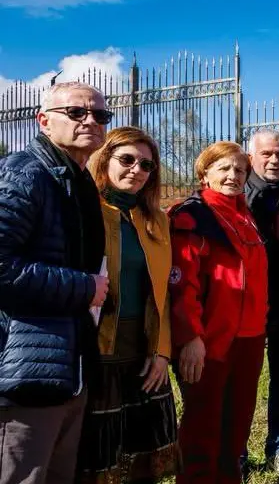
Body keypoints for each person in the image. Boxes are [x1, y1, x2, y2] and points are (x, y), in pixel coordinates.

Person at [0, 82, 108, 484]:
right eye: (77, 113)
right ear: (43, 120)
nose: (91, 121)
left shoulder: (75, 181)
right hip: (25, 372)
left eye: (100, 115)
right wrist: (84, 287)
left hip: (67, 364)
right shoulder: (23, 175)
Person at [74, 127, 179, 483]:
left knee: (143, 461)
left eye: (146, 165)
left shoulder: (157, 219)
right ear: (104, 160)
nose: (137, 170)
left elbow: (164, 292)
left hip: (144, 350)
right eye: (127, 160)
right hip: (98, 351)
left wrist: (162, 352)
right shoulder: (84, 210)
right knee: (97, 458)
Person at [168, 141, 269, 484]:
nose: (233, 176)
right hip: (210, 341)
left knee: (236, 430)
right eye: (224, 168)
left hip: (250, 339)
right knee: (202, 430)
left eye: (240, 170)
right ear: (205, 173)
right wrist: (191, 338)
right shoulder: (191, 215)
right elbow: (182, 285)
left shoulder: (245, 215)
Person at [244, 128, 279, 477]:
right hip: (244, 305)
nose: (274, 160)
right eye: (266, 154)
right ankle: (235, 449)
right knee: (242, 381)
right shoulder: (236, 192)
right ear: (252, 157)